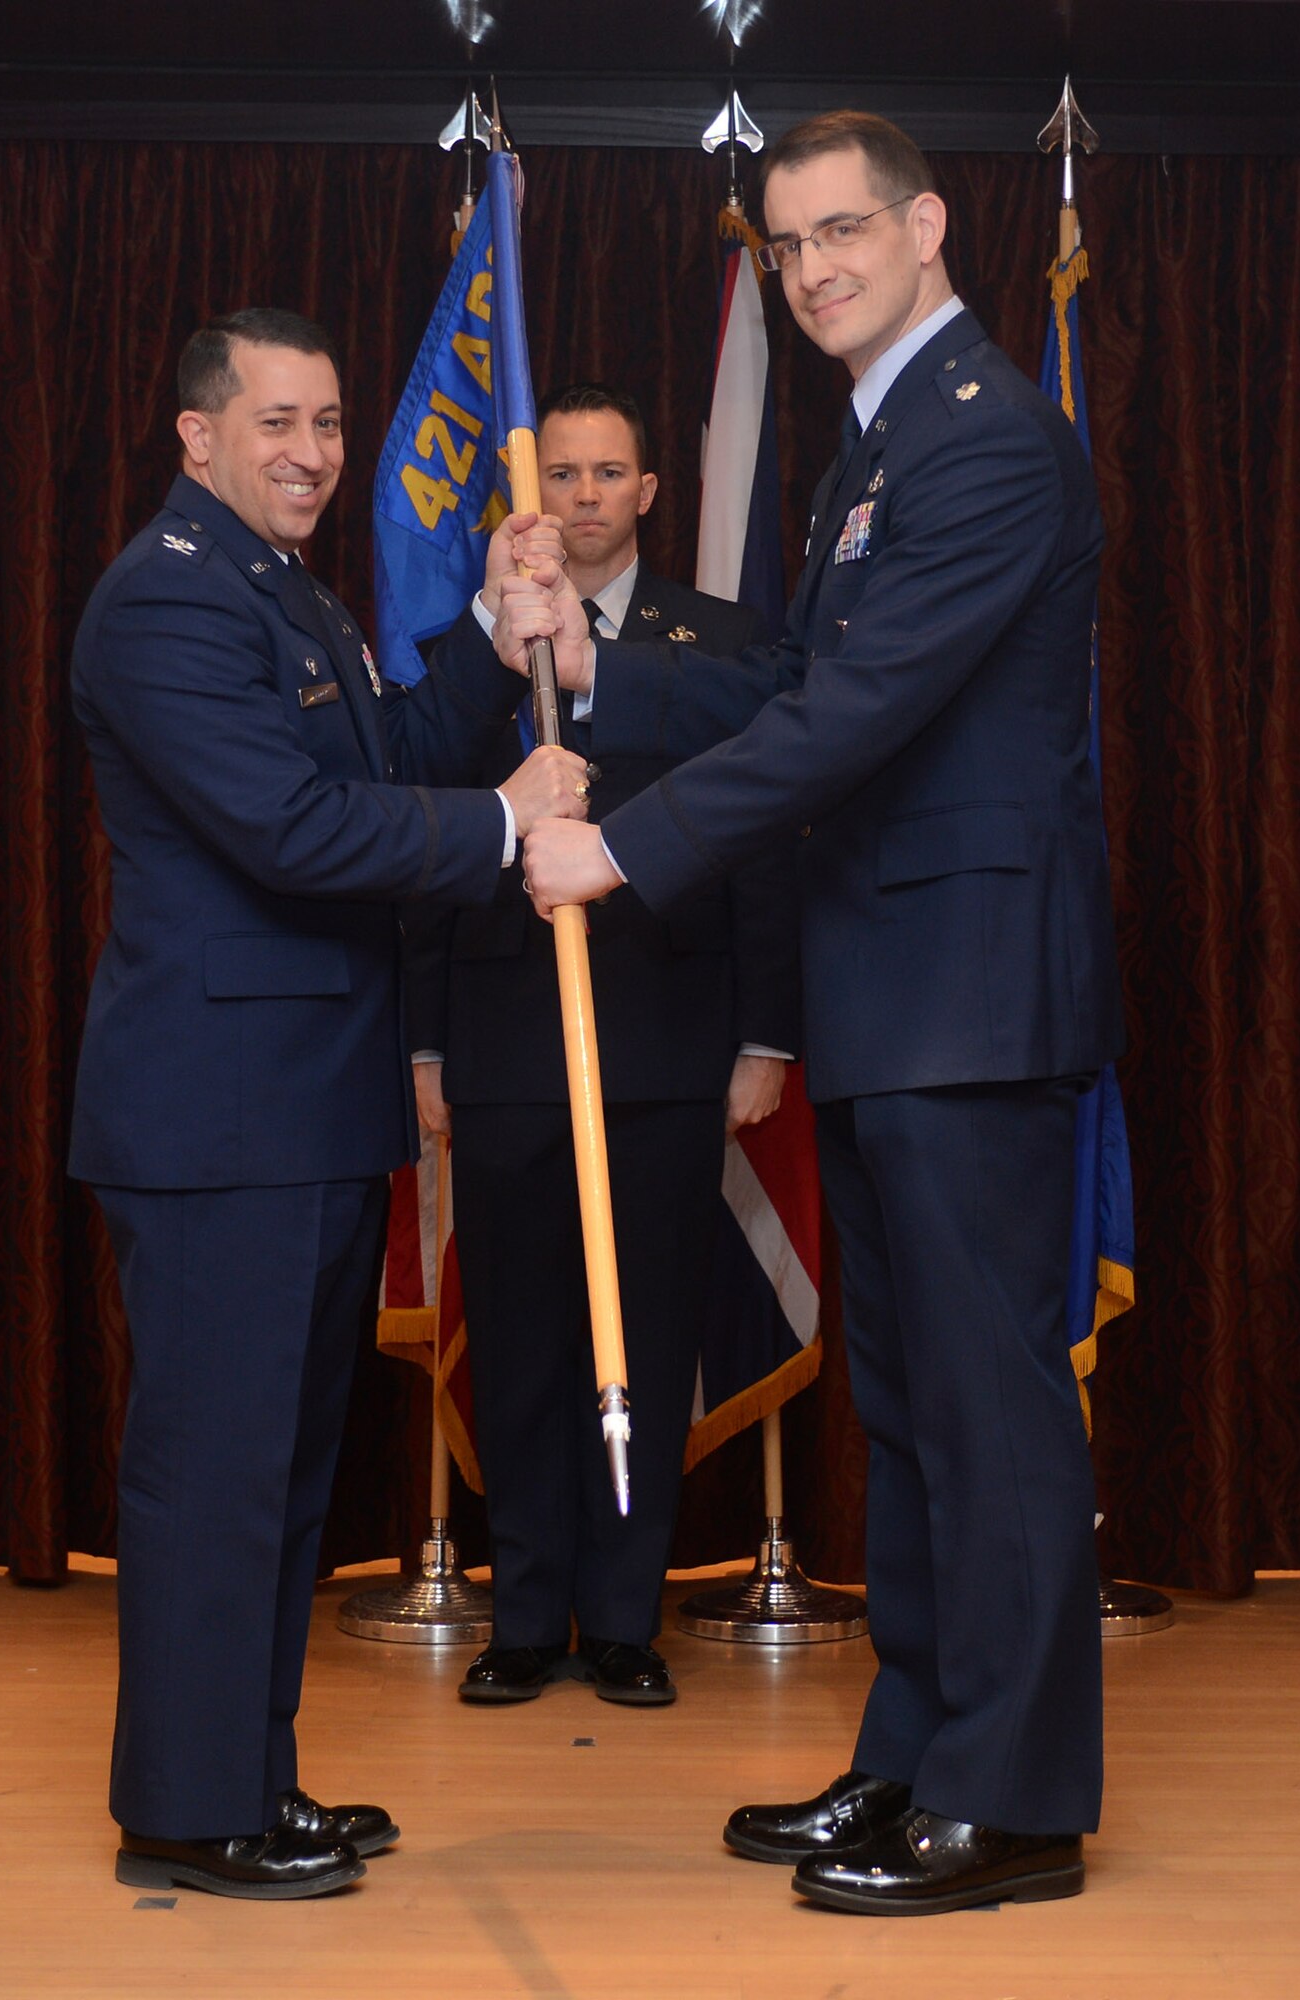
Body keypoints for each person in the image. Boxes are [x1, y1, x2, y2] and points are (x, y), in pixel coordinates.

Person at [505, 113, 1124, 1916]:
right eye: (788, 246)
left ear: (928, 226)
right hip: (889, 994)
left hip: (970, 992)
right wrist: (600, 664)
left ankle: (1010, 1804)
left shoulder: (989, 438)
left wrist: (619, 854)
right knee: (916, 1408)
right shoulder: (874, 453)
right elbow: (794, 679)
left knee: (990, 1409)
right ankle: (916, 1755)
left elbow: (859, 719)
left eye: (845, 229)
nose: (816, 267)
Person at [68, 307, 588, 1901]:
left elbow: (382, 755)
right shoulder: (163, 605)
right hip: (221, 1117)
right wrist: (502, 827)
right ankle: (186, 1806)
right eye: (277, 422)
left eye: (331, 425)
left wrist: (496, 646)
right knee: (212, 1476)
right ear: (197, 435)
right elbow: (294, 832)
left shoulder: (279, 592)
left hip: (297, 1109)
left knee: (279, 1477)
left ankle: (250, 1777)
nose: (309, 452)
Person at [408, 384, 798, 1707]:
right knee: (520, 1336)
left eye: (605, 472)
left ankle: (623, 1620)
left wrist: (762, 1034)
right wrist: (422, 1046)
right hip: (508, 1035)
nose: (580, 494)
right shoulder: (469, 648)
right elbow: (418, 841)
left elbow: (763, 846)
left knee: (644, 1322)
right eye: (559, 473)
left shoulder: (725, 645)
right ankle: (527, 1619)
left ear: (646, 492)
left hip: (668, 1033)